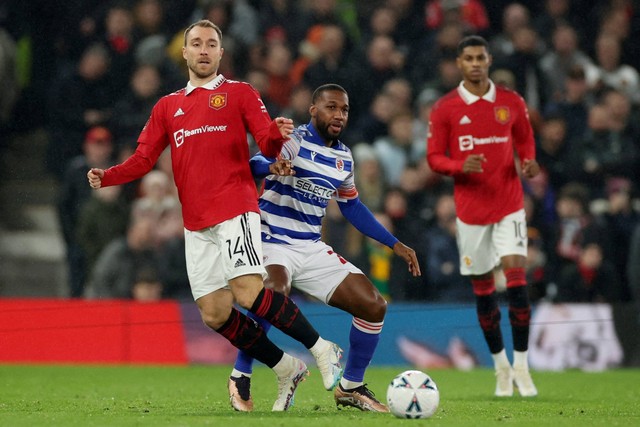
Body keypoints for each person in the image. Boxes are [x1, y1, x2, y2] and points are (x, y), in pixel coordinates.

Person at [86, 19, 341, 412]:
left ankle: (322, 349)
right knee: (214, 313)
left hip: (236, 208)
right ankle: (286, 367)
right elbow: (143, 159)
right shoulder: (167, 107)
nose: (203, 50)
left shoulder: (239, 93)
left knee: (247, 292)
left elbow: (268, 144)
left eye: (211, 44)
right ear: (185, 53)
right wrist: (109, 176)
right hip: (197, 223)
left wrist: (276, 133)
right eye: (196, 43)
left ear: (221, 54)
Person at [228, 84, 421, 413]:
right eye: (331, 108)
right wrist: (270, 166)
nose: (339, 115)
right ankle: (241, 373)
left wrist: (394, 243)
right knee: (273, 291)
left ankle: (350, 386)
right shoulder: (293, 141)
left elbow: (352, 207)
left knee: (374, 306)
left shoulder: (344, 158)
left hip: (310, 246)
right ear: (313, 110)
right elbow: (251, 166)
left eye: (344, 110)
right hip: (272, 240)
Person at [426, 35, 539, 397]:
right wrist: (460, 165)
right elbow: (433, 157)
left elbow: (524, 138)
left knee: (517, 278)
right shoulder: (445, 108)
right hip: (472, 212)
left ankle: (522, 365)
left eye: (480, 57)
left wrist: (527, 160)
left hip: (509, 204)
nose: (475, 63)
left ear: (489, 59)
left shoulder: (510, 101)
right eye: (468, 58)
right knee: (484, 290)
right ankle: (500, 367)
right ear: (459, 63)